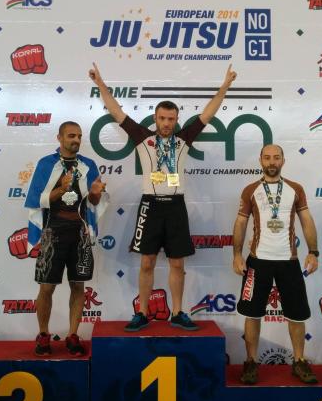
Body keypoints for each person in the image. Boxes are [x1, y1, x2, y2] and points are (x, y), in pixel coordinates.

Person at [89, 62, 237, 331]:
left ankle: (178, 312)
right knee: (147, 262)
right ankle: (142, 313)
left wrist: (225, 86)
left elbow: (208, 113)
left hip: (176, 206)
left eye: (171, 119)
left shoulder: (184, 140)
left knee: (177, 263)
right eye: (162, 118)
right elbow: (116, 111)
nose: (166, 123)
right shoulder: (142, 138)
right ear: (155, 119)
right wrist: (100, 84)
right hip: (151, 206)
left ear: (176, 120)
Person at [233, 144, 319, 384]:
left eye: (276, 157)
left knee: (297, 315)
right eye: (267, 157)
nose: (272, 162)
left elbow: (307, 220)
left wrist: (313, 252)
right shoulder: (250, 190)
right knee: (252, 314)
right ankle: (251, 362)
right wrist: (237, 255)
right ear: (260, 160)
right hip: (257, 261)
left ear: (283, 161)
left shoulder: (295, 189)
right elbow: (240, 223)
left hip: (288, 261)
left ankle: (299, 361)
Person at [25, 121, 107, 356]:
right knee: (46, 287)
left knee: (78, 285)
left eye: (79, 136)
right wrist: (60, 189)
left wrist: (95, 194)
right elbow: (35, 200)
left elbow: (93, 203)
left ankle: (72, 335)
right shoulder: (46, 164)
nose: (76, 140)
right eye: (71, 136)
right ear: (59, 138)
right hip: (53, 231)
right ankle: (43, 335)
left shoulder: (88, 165)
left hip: (80, 232)